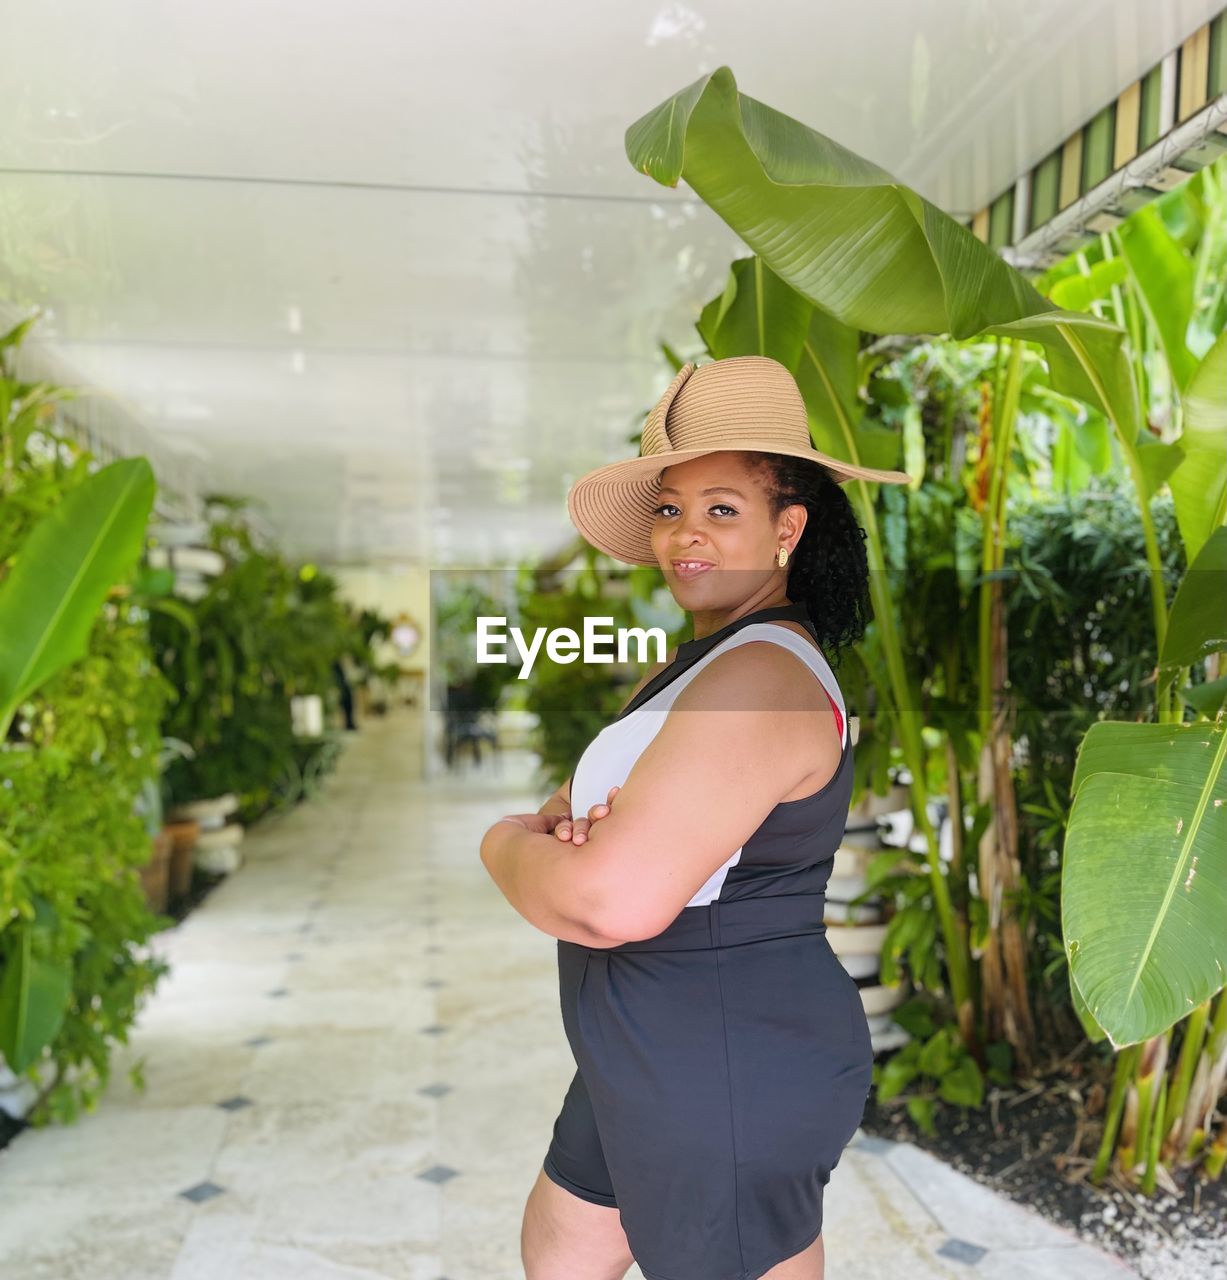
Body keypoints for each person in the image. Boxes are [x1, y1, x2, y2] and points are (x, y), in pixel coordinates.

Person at [479, 355, 910, 1280]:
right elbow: (579, 810)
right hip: (644, 1052)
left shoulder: (759, 676)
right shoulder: (706, 663)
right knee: (560, 1256)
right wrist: (566, 831)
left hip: (724, 1064)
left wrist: (502, 842)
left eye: (722, 510)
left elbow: (607, 898)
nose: (686, 537)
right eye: (670, 510)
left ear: (787, 528)